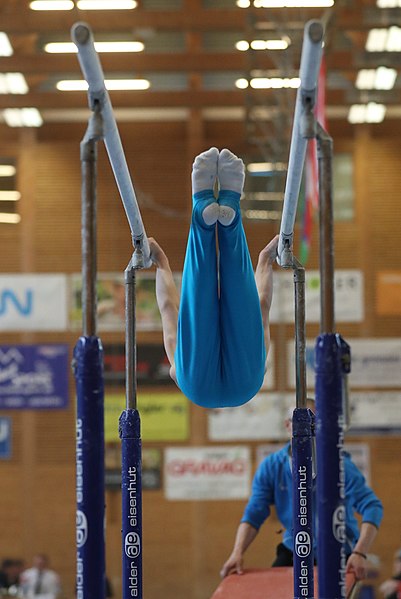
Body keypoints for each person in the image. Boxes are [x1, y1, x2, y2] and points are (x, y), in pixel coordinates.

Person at [148, 147, 278, 409]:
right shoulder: (180, 370)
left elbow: (261, 305)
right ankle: (202, 207)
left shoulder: (254, 372)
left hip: (246, 385)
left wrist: (265, 259)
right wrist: (161, 264)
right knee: (197, 303)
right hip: (197, 386)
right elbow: (168, 310)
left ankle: (230, 208)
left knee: (246, 304)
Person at [220, 404, 383, 582]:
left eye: (313, 425)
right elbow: (254, 513)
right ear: (287, 425)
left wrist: (360, 552)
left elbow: (372, 506)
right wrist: (237, 553)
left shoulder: (339, 464)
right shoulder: (272, 466)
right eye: (298, 424)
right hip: (295, 548)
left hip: (337, 550)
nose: (306, 431)